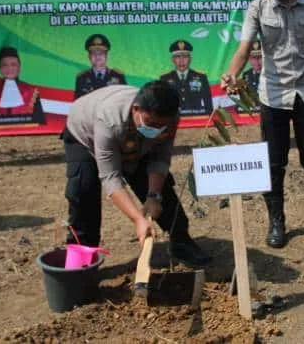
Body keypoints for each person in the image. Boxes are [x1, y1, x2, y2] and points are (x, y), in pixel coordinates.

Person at [220, 0, 304, 248]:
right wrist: (232, 74)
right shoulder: (258, 7)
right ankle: (276, 221)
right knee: (273, 162)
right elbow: (244, 49)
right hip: (272, 95)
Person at [62, 81, 211, 266]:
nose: (156, 130)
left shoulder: (169, 119)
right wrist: (138, 219)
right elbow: (111, 176)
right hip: (84, 135)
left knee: (163, 193)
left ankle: (181, 242)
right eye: (151, 124)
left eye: (161, 126)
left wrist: (153, 196)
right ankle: (82, 258)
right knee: (83, 191)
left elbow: (160, 159)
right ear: (136, 109)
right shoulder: (109, 119)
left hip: (135, 143)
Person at [0, 47, 45, 128]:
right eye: (5, 65)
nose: (9, 68)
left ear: (19, 67)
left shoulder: (32, 92)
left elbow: (40, 123)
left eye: (13, 64)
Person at [160, 39, 213, 116]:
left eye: (185, 57)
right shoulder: (164, 79)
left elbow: (208, 104)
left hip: (196, 118)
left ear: (190, 59)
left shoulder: (201, 77)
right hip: (174, 119)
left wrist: (208, 119)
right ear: (173, 60)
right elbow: (162, 104)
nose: (181, 61)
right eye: (178, 57)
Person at [74, 34, 127, 99]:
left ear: (106, 55)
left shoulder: (118, 77)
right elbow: (78, 104)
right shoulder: (82, 78)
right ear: (89, 56)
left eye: (101, 53)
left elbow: (124, 102)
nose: (97, 56)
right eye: (94, 53)